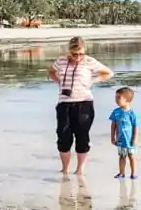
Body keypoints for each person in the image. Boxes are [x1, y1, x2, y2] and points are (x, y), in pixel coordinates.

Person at [47, 36, 114, 177]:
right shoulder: (61, 61)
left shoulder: (90, 61)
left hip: (84, 103)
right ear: (69, 51)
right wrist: (58, 81)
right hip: (64, 103)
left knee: (82, 136)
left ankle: (79, 170)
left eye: (81, 54)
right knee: (63, 136)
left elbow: (108, 73)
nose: (78, 57)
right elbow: (51, 72)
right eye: (74, 54)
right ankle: (65, 169)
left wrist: (93, 81)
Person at [110, 86, 139, 179]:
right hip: (121, 139)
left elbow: (135, 126)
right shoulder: (116, 112)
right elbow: (113, 125)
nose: (116, 100)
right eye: (116, 97)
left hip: (130, 139)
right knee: (122, 156)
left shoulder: (132, 113)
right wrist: (112, 137)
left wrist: (135, 138)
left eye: (119, 98)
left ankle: (133, 173)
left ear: (127, 100)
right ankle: (121, 173)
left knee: (131, 156)